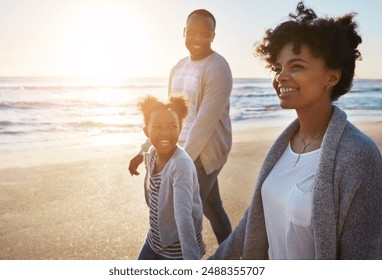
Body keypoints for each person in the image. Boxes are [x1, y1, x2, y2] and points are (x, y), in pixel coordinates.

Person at [210, 2, 382, 260]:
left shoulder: (359, 156)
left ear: (331, 77)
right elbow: (253, 224)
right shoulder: (284, 146)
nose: (280, 76)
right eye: (278, 67)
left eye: (296, 66)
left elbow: (363, 258)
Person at [129, 9, 233, 244]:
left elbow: (203, 127)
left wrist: (174, 163)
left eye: (205, 34)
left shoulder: (217, 68)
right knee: (212, 209)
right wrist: (144, 150)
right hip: (178, 149)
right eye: (192, 32)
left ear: (213, 36)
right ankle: (235, 256)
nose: (197, 39)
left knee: (174, 217)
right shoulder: (178, 67)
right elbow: (165, 117)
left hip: (203, 155)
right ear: (184, 32)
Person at [136, 95, 205, 260]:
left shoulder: (180, 165)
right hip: (153, 241)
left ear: (180, 129)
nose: (165, 133)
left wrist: (191, 260)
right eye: (157, 127)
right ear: (147, 131)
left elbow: (184, 216)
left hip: (177, 250)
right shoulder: (152, 154)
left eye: (172, 126)